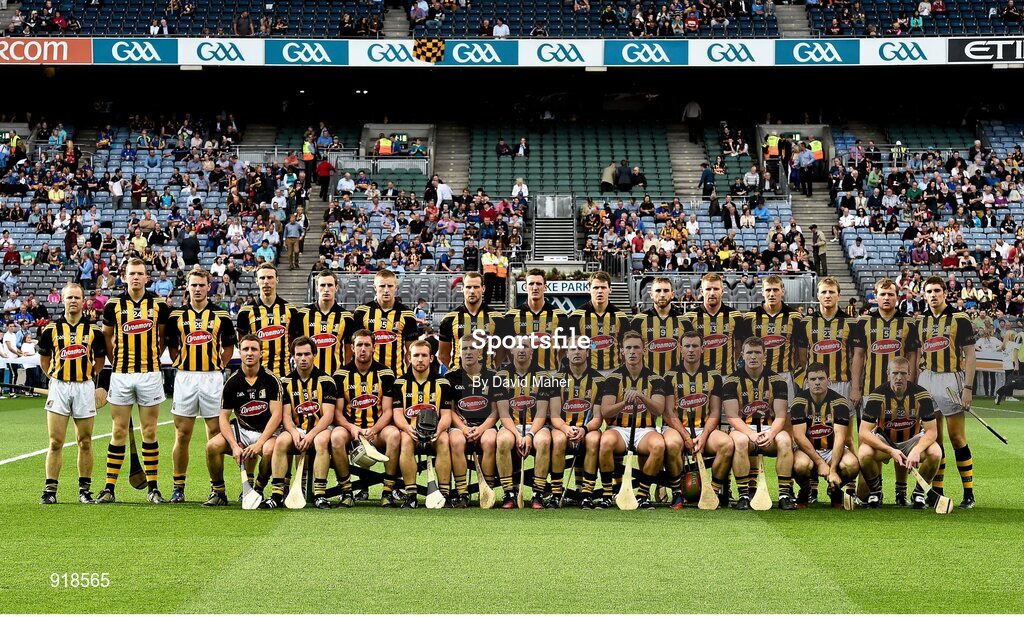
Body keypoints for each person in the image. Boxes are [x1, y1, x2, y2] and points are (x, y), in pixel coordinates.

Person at [97, 258, 170, 504]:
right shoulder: (112, 305)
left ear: (147, 277)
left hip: (150, 374)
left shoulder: (159, 304)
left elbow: (161, 339)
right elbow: (107, 337)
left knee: (149, 430)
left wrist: (151, 360)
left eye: (140, 273)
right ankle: (109, 488)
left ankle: (153, 488)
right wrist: (115, 361)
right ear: (124, 276)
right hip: (121, 374)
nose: (136, 277)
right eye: (132, 273)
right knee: (118, 430)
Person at [163, 267, 238, 504]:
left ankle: (217, 489)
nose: (197, 289)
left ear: (209, 287)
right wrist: (178, 362)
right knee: (182, 433)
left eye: (201, 285)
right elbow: (172, 345)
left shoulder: (221, 315)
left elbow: (228, 346)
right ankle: (178, 487)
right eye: (193, 285)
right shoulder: (176, 316)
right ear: (187, 286)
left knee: (215, 434)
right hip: (185, 377)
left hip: (211, 378)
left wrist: (219, 365)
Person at [848, 277, 920, 505]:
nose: (886, 298)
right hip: (871, 392)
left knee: (902, 437)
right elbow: (858, 356)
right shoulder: (864, 323)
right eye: (883, 294)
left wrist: (914, 389)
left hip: (902, 395)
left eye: (891, 294)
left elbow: (913, 359)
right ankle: (874, 491)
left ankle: (901, 492)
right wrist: (856, 387)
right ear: (875, 296)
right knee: (870, 442)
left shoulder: (908, 324)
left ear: (897, 297)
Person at [37, 283, 107, 504]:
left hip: (84, 387)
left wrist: (88, 380)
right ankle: (50, 491)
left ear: (83, 300)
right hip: (59, 386)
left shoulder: (94, 330)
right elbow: (44, 360)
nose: (73, 301)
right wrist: (56, 378)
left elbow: (99, 361)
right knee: (55, 441)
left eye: (77, 297)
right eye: (69, 298)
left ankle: (84, 491)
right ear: (63, 300)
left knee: (85, 441)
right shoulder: (50, 330)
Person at [914, 276, 977, 508]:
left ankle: (968, 493)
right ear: (924, 294)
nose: (933, 295)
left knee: (957, 437)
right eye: (928, 291)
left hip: (951, 379)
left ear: (945, 293)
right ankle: (937, 491)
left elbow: (970, 355)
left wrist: (968, 388)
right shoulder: (920, 321)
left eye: (937, 290)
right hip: (926, 379)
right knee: (934, 439)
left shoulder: (959, 318)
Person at [203, 335, 282, 506]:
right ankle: (218, 492)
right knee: (212, 446)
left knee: (269, 451)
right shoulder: (232, 382)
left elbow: (277, 415)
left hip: (267, 433)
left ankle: (258, 489)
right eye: (245, 349)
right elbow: (223, 417)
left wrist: (259, 443)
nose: (249, 353)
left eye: (254, 349)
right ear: (240, 352)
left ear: (261, 353)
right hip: (242, 431)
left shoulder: (271, 380)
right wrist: (233, 445)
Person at [260, 337, 338, 509]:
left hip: (320, 428)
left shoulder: (326, 381)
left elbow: (328, 416)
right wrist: (295, 434)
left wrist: (310, 436)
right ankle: (277, 494)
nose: (303, 358)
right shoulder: (285, 383)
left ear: (314, 355)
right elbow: (285, 416)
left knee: (321, 441)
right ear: (293, 357)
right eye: (299, 354)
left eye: (307, 354)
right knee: (281, 441)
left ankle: (319, 494)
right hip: (294, 428)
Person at [858, 357, 943, 509]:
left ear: (909, 374)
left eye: (903, 373)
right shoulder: (877, 395)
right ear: (888, 374)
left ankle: (918, 493)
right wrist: (891, 450)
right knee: (864, 453)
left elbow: (932, 432)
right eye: (895, 373)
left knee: (936, 453)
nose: (899, 377)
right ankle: (876, 492)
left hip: (912, 441)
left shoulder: (921, 395)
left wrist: (917, 450)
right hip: (886, 441)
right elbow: (863, 433)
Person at [598, 331, 669, 510]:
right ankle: (608, 494)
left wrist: (642, 397)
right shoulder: (613, 378)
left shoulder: (656, 379)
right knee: (605, 441)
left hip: (645, 430)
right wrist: (625, 402)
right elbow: (606, 411)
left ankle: (642, 495)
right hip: (618, 429)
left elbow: (659, 410)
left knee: (659, 446)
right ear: (622, 351)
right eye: (628, 348)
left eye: (636, 347)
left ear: (644, 350)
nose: (632, 352)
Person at [722, 337, 794, 510]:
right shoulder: (731, 381)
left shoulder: (778, 381)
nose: (753, 357)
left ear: (765, 355)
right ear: (742, 355)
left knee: (785, 441)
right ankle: (743, 496)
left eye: (757, 352)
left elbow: (781, 415)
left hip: (770, 428)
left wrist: (771, 434)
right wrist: (751, 434)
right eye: (749, 353)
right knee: (739, 442)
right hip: (743, 429)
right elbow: (732, 415)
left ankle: (784, 495)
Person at [665, 331, 734, 509]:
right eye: (687, 346)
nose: (690, 350)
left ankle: (712, 492)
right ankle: (677, 494)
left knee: (727, 444)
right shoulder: (670, 376)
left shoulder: (713, 376)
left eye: (695, 346)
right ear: (680, 349)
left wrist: (703, 437)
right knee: (672, 444)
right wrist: (686, 437)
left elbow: (715, 411)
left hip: (704, 430)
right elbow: (669, 413)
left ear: (702, 349)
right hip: (677, 429)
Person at [391, 340, 453, 509]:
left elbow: (447, 415)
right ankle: (411, 495)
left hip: (436, 432)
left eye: (424, 355)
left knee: (444, 440)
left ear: (431, 358)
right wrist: (406, 428)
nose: (420, 359)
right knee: (405, 439)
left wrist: (439, 430)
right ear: (408, 358)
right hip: (410, 431)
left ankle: (444, 494)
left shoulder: (443, 383)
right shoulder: (399, 383)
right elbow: (397, 414)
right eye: (416, 355)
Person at [790, 363, 860, 508]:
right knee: (800, 466)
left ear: (828, 380)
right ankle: (805, 490)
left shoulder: (840, 402)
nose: (817, 382)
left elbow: (841, 437)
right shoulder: (799, 401)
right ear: (807, 381)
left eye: (821, 378)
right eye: (813, 379)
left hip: (831, 449)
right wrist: (820, 463)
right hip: (807, 451)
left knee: (851, 465)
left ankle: (835, 489)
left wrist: (833, 469)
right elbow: (799, 437)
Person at [549, 339, 604, 509]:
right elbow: (555, 415)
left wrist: (584, 429)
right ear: (567, 353)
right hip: (563, 427)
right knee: (557, 440)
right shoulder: (558, 378)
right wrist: (566, 428)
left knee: (594, 440)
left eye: (581, 349)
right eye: (573, 348)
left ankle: (587, 494)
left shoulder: (599, 380)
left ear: (587, 352)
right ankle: (556, 493)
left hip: (587, 428)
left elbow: (597, 418)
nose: (577, 352)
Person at [734, 274, 805, 404]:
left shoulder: (795, 317)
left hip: (784, 375)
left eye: (775, 290)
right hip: (756, 376)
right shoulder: (750, 317)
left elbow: (801, 351)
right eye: (768, 290)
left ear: (782, 291)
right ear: (762, 292)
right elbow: (744, 351)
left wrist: (792, 369)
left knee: (786, 419)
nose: (771, 294)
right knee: (756, 418)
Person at [235, 263, 302, 377]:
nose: (266, 281)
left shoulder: (291, 310)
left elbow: (294, 342)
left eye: (270, 277)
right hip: (255, 376)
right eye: (262, 278)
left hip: (284, 374)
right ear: (257, 281)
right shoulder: (245, 312)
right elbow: (242, 343)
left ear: (277, 280)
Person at [352, 269, 420, 375]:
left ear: (396, 287)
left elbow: (411, 351)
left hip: (397, 376)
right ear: (375, 287)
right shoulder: (361, 312)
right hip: (368, 376)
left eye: (390, 286)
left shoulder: (407, 314)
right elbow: (355, 349)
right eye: (382, 286)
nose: (386, 290)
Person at [563, 271, 630, 375]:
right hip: (585, 372)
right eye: (595, 287)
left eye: (603, 288)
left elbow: (627, 347)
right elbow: (568, 348)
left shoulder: (621, 317)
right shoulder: (576, 316)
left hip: (614, 372)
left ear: (610, 290)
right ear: (589, 289)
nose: (599, 291)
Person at [499, 268, 565, 371]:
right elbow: (504, 348)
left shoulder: (560, 315)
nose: (535, 287)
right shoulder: (511, 316)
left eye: (539, 284)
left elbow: (565, 346)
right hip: (521, 375)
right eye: (531, 284)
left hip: (550, 373)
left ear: (545, 287)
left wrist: (556, 362)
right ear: (525, 287)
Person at [683, 272, 742, 376]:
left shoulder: (735, 315)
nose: (712, 293)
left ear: (722, 291)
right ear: (701, 291)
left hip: (727, 376)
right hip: (699, 377)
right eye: (708, 289)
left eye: (716, 289)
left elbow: (738, 346)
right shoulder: (689, 317)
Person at [438, 271, 500, 370]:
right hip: (458, 381)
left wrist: (491, 369)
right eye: (468, 287)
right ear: (462, 289)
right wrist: (456, 373)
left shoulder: (497, 318)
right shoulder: (449, 319)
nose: (472, 291)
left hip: (486, 379)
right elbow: (443, 355)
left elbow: (503, 352)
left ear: (483, 289)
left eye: (476, 287)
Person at [297, 270, 353, 376]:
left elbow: (348, 347)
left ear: (336, 288)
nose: (326, 289)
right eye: (322, 285)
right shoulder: (302, 315)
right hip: (308, 377)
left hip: (336, 376)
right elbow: (295, 343)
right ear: (317, 288)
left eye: (330, 285)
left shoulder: (346, 317)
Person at [630, 276, 687, 376]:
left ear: (672, 294)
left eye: (666, 291)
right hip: (647, 380)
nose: (662, 295)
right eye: (658, 291)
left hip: (676, 380)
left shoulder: (683, 321)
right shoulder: (638, 320)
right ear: (651, 294)